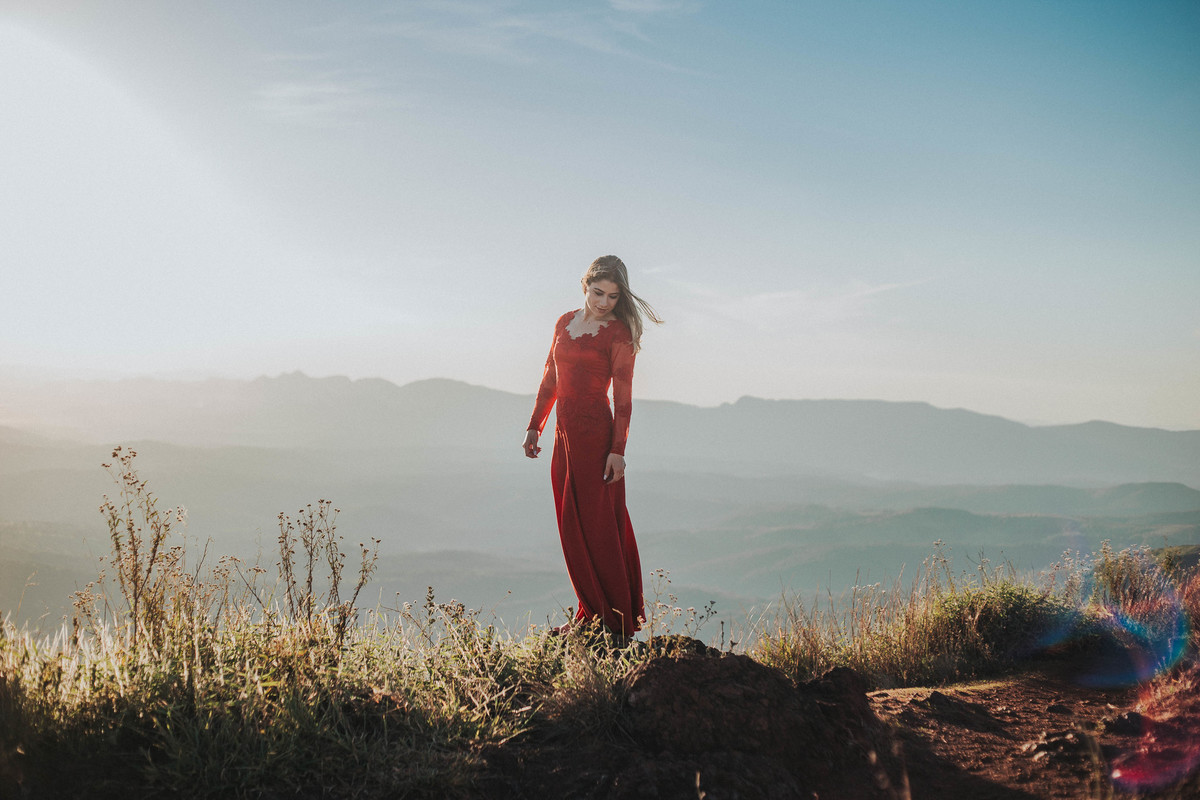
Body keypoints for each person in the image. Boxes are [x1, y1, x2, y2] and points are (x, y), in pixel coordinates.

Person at [523, 255, 662, 637]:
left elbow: (624, 398)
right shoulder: (563, 322)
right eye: (598, 292)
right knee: (571, 524)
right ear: (584, 285)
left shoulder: (618, 333)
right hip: (563, 436)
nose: (604, 302)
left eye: (613, 297)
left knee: (600, 526)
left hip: (598, 439)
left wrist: (618, 450)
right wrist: (535, 425)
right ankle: (591, 612)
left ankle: (614, 621)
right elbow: (550, 377)